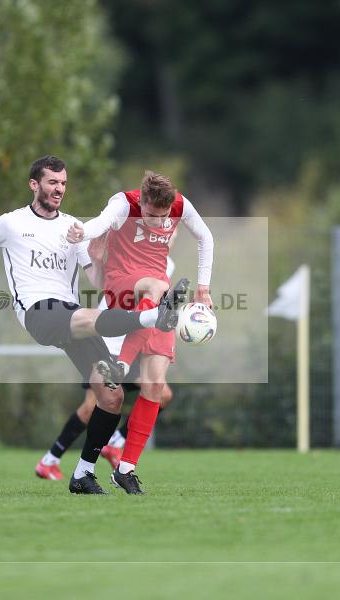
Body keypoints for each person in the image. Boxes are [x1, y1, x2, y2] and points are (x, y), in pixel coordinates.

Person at [0, 156, 187, 495]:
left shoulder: (73, 228)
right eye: (52, 182)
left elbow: (99, 280)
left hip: (72, 316)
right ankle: (155, 317)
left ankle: (82, 474)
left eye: (62, 183)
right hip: (39, 312)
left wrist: (106, 257)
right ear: (34, 185)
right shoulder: (10, 223)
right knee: (88, 318)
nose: (58, 189)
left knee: (111, 394)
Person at [66, 171, 214, 494]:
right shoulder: (124, 203)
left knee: (155, 383)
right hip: (122, 284)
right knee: (160, 286)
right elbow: (100, 224)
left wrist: (203, 287)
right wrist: (82, 231)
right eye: (151, 216)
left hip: (156, 301)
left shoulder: (178, 206)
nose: (159, 224)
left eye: (164, 218)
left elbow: (206, 237)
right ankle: (122, 362)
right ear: (143, 201)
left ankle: (126, 468)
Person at [35, 257, 177, 481]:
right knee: (92, 406)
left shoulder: (167, 263)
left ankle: (115, 443)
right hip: (108, 342)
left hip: (130, 346)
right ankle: (50, 460)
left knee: (162, 394)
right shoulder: (129, 254)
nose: (169, 228)